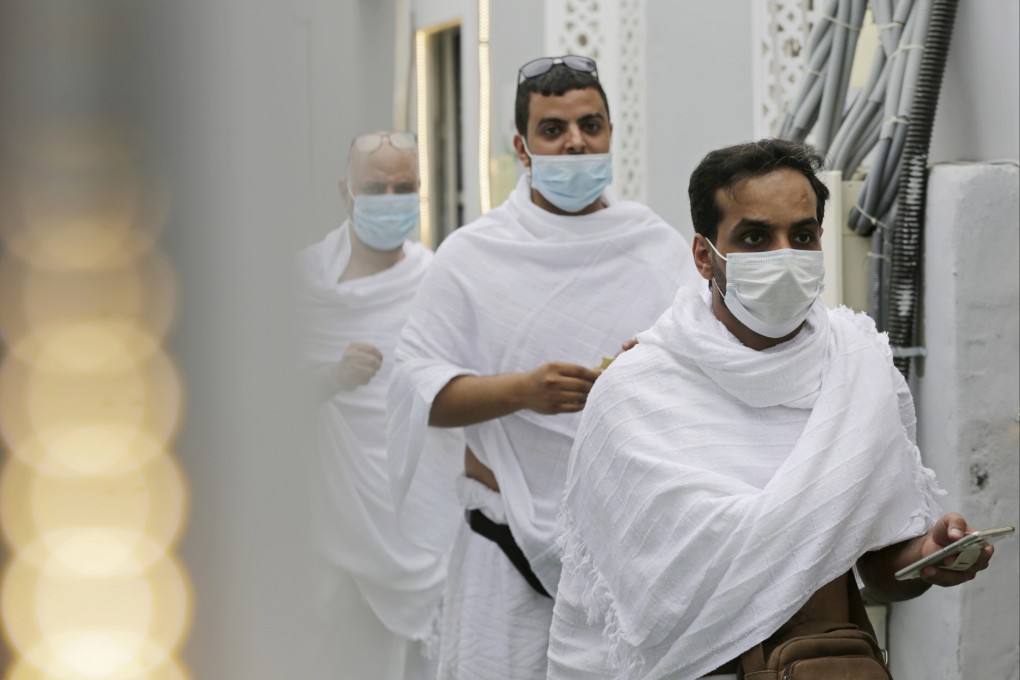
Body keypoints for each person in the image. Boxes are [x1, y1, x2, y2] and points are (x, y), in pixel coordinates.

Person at [546, 138, 995, 679]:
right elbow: (608, 618)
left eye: (801, 236)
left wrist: (929, 554)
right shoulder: (637, 392)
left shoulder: (858, 369)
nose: (782, 256)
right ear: (703, 254)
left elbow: (876, 572)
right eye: (755, 237)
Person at [387, 55, 701, 680]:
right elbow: (417, 390)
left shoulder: (654, 247)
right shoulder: (473, 256)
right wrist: (523, 392)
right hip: (499, 549)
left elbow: (704, 372)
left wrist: (647, 372)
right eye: (553, 130)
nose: (576, 142)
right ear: (522, 147)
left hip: (624, 554)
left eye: (591, 124)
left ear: (611, 132)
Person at [296, 130, 458, 680]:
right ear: (346, 192)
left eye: (403, 187)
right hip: (324, 522)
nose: (390, 200)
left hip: (415, 517)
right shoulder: (303, 282)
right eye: (374, 187)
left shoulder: (437, 277)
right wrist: (331, 377)